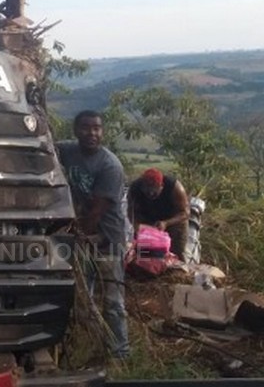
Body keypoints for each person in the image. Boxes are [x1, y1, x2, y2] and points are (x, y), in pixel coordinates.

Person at [57, 110, 129, 358]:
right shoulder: (68, 151)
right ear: (76, 131)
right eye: (86, 128)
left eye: (97, 128)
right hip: (82, 236)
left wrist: (77, 236)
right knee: (81, 298)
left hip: (107, 239)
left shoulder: (110, 166)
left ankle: (119, 352)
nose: (92, 133)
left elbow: (97, 212)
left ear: (103, 132)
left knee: (113, 301)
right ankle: (88, 347)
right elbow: (46, 146)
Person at [128, 168, 191, 260]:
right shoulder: (135, 188)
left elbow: (185, 213)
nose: (150, 194)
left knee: (176, 254)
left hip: (173, 221)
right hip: (148, 220)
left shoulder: (174, 187)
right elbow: (131, 212)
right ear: (142, 187)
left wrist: (166, 223)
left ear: (162, 186)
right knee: (143, 254)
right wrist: (136, 225)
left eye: (154, 191)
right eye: (147, 191)